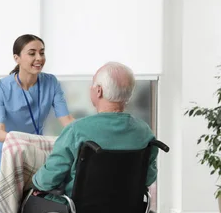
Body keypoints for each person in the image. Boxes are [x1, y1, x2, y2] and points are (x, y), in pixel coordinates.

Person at [0, 34, 74, 213]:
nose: (38, 58)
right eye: (31, 53)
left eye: (42, 52)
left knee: (35, 208)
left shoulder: (51, 83)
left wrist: (87, 131)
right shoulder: (1, 89)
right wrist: (24, 141)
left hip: (34, 154)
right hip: (1, 154)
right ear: (17, 58)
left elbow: (67, 121)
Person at [31, 61, 158, 195]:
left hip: (76, 211)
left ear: (99, 91)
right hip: (126, 211)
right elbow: (148, 178)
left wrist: (36, 183)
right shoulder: (144, 132)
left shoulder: (76, 130)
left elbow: (48, 180)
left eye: (92, 85)